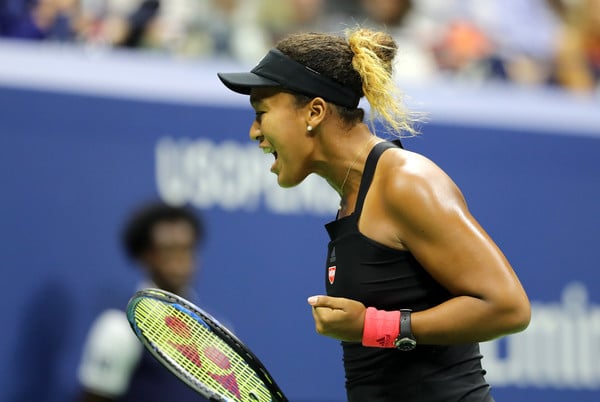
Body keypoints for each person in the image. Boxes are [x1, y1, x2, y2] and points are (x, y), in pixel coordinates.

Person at [217, 27, 531, 401]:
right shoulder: (353, 195)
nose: (254, 132)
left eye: (262, 113)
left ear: (314, 112)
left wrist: (372, 325)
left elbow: (507, 308)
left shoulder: (405, 181)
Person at [76, 200, 209, 402]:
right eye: (168, 249)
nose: (178, 260)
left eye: (186, 249)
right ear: (145, 255)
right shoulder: (118, 327)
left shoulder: (213, 330)